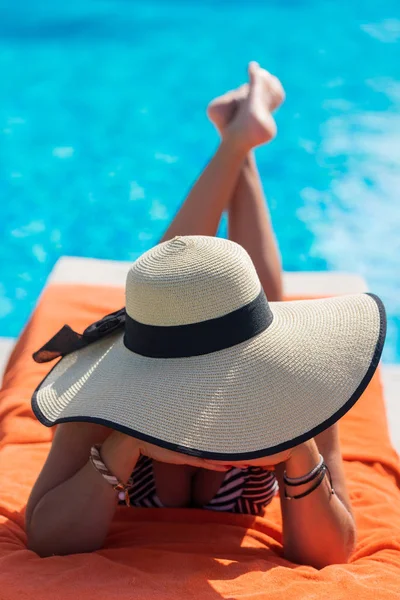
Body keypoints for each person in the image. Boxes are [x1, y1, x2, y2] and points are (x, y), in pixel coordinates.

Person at [26, 62, 381, 567]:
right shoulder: (103, 396)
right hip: (152, 358)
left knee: (219, 298)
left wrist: (298, 447)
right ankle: (240, 142)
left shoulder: (296, 387)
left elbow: (330, 554)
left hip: (240, 354)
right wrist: (127, 439)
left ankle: (239, 141)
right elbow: (47, 539)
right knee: (186, 291)